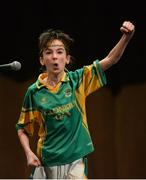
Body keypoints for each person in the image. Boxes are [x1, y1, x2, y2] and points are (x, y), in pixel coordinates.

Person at [15, 21, 135, 179]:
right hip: (47, 163)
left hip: (75, 162)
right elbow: (22, 128)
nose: (55, 57)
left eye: (59, 52)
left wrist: (127, 37)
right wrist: (29, 153)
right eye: (49, 53)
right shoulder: (34, 92)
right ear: (42, 60)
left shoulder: (78, 80)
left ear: (67, 59)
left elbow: (111, 59)